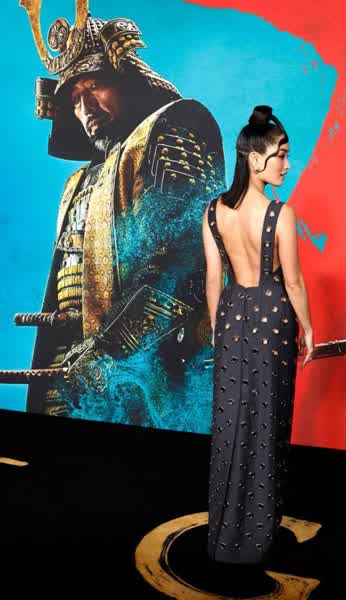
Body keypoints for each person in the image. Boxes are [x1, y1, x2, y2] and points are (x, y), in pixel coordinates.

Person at [15, 5, 226, 423]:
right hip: (71, 370)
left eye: (95, 86)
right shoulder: (76, 183)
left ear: (128, 82)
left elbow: (187, 257)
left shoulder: (174, 127)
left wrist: (111, 349)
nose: (86, 106)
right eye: (74, 98)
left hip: (152, 376)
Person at [202, 105, 313, 564]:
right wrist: (309, 328)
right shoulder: (280, 215)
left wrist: (218, 329)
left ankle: (224, 535)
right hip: (272, 317)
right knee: (267, 420)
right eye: (280, 154)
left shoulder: (213, 212)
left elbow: (213, 279)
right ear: (253, 159)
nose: (287, 164)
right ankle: (257, 538)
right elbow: (294, 283)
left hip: (231, 315)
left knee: (230, 423)